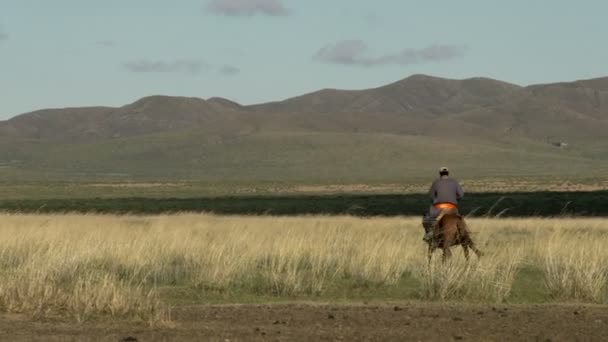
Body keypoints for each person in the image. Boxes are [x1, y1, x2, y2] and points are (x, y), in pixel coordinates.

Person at [422, 167, 464, 242]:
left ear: (440, 174)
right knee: (460, 219)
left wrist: (436, 200)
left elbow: (431, 195)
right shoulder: (454, 182)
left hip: (438, 208)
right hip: (452, 208)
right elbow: (461, 195)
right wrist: (455, 199)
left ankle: (429, 234)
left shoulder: (436, 182)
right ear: (448, 173)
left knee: (427, 219)